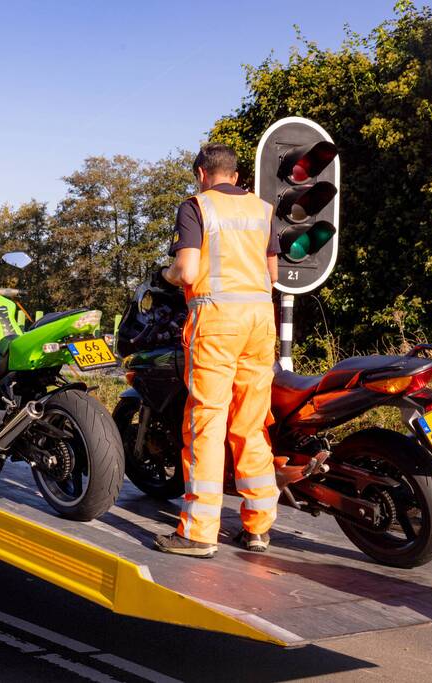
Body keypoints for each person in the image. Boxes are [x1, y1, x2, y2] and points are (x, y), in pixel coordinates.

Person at [155, 142, 280, 558]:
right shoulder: (262, 210)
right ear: (237, 175)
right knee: (251, 422)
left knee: (207, 422)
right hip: (260, 322)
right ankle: (258, 527)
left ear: (201, 174)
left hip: (216, 322)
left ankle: (198, 532)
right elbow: (272, 274)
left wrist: (168, 274)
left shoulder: (197, 207)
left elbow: (187, 270)